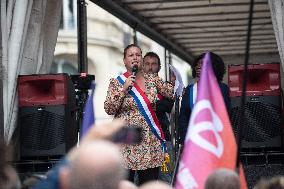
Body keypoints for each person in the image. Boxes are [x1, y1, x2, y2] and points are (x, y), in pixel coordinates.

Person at [104, 44, 174, 185]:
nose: (135, 58)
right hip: (126, 143)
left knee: (148, 185)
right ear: (124, 60)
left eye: (138, 54)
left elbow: (171, 94)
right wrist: (124, 90)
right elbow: (109, 108)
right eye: (131, 55)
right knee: (125, 184)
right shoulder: (117, 82)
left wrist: (174, 82)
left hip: (149, 142)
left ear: (141, 58)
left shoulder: (153, 79)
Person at [178, 52, 231, 146]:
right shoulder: (189, 90)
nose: (198, 66)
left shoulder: (223, 89)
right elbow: (183, 118)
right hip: (194, 142)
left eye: (203, 63)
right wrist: (186, 140)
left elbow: (227, 116)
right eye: (197, 64)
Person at [142, 52, 175, 183]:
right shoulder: (137, 87)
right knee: (142, 180)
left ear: (159, 67)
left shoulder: (165, 87)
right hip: (142, 142)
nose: (150, 67)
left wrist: (149, 105)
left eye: (154, 64)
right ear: (142, 66)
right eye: (147, 64)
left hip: (163, 140)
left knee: (165, 176)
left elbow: (168, 105)